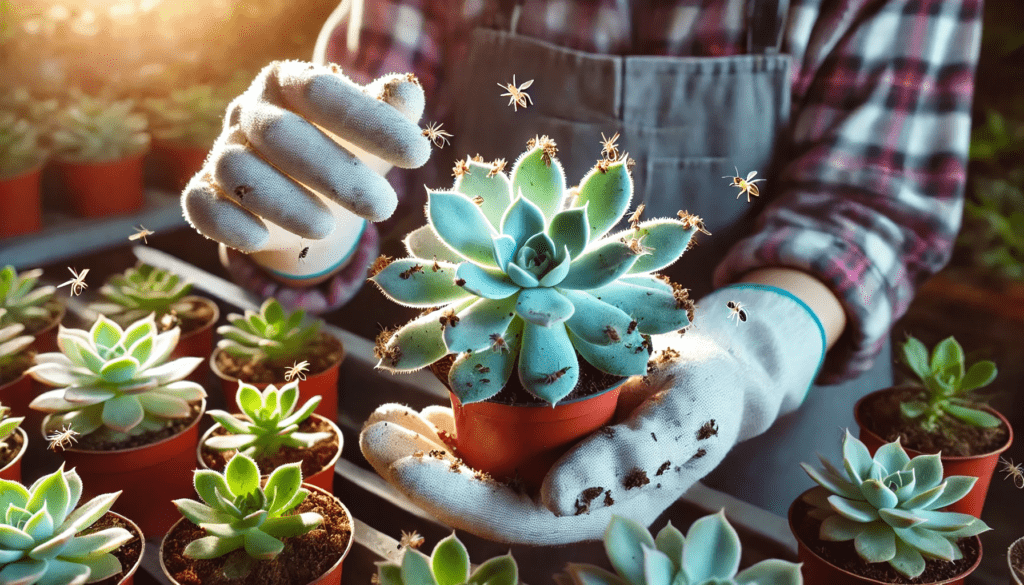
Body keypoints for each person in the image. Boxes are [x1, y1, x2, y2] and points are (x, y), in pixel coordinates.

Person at [181, 0, 983, 544]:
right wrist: (298, 213)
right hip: (489, 361)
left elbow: (871, 199)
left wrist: (747, 357)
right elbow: (372, 133)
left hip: (766, 405)